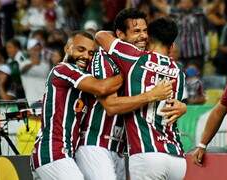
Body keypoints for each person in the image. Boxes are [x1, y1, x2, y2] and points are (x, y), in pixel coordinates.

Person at [76, 9, 178, 180]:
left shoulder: (145, 61)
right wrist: (151, 95)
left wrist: (180, 106)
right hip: (96, 145)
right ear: (120, 35)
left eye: (145, 31)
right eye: (136, 31)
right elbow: (111, 106)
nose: (143, 36)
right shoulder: (104, 57)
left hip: (122, 149)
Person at [30, 31, 122, 180]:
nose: (86, 56)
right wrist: (126, 72)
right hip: (52, 152)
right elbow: (102, 87)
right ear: (68, 48)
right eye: (81, 49)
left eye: (91, 53)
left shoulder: (82, 81)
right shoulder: (63, 69)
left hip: (64, 153)